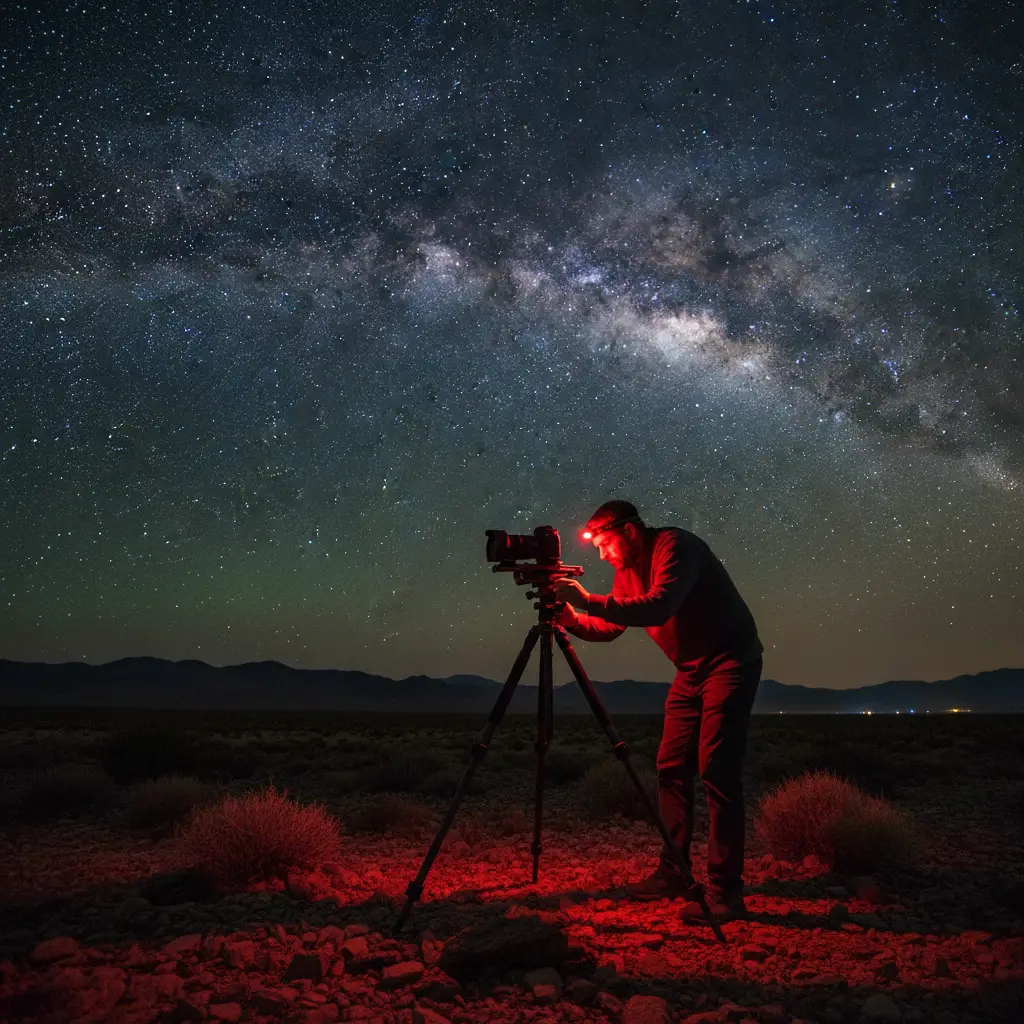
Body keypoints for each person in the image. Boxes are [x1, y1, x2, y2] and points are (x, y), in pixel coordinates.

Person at [553, 500, 763, 924]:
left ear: (629, 531)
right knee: (670, 766)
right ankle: (674, 873)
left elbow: (659, 606)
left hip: (730, 662)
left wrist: (589, 600)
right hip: (690, 670)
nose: (601, 555)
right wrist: (570, 616)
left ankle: (727, 892)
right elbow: (612, 627)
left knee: (718, 772)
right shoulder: (626, 570)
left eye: (604, 543)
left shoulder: (675, 548)